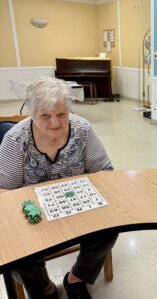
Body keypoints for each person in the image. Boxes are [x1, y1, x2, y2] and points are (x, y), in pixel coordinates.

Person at [0, 77, 118, 299]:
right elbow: (3, 192)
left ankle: (76, 279)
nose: (55, 122)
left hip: (77, 208)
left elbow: (105, 172)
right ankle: (44, 289)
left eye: (62, 114)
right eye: (45, 116)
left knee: (109, 228)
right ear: (31, 113)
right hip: (35, 218)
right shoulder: (15, 140)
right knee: (13, 249)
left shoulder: (83, 130)